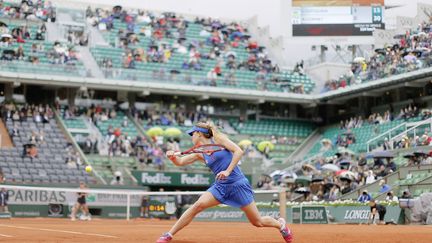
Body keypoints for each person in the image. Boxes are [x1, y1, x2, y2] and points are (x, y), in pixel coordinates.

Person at [156, 122, 293, 243]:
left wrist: (227, 171)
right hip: (220, 187)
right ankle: (169, 234)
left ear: (199, 133)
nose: (191, 137)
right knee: (197, 206)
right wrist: (172, 157)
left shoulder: (219, 140)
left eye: (192, 134)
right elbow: (180, 162)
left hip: (238, 185)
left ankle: (280, 225)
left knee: (257, 222)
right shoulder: (200, 153)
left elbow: (238, 151)